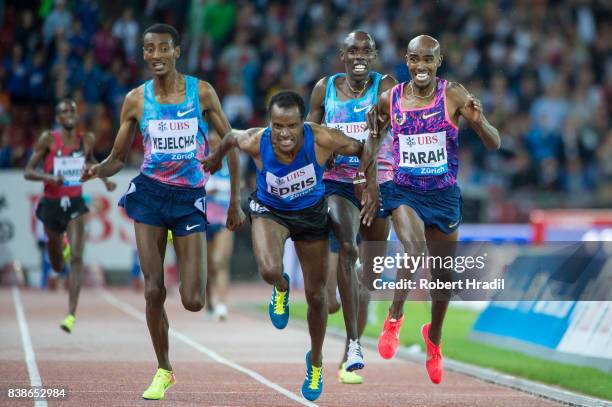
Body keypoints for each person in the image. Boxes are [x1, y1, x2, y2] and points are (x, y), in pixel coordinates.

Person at [80, 24, 245, 400]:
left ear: (176, 52)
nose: (155, 55)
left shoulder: (201, 92)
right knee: (153, 291)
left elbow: (232, 142)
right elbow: (118, 158)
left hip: (188, 197)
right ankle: (164, 369)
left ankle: (179, 241)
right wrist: (97, 170)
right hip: (150, 194)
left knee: (193, 300)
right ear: (143, 54)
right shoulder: (136, 100)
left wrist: (235, 200)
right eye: (148, 49)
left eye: (162, 49)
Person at [202, 90, 378, 401]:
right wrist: (215, 159)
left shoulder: (322, 137)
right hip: (271, 212)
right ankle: (280, 287)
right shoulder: (258, 140)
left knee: (318, 298)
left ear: (303, 124)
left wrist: (367, 183)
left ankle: (316, 361)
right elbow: (229, 137)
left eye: (292, 126)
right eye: (278, 126)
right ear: (270, 124)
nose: (284, 134)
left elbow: (364, 148)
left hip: (311, 217)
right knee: (270, 270)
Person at [367, 35, 500, 384]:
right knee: (412, 248)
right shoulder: (389, 99)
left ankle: (434, 340)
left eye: (428, 59)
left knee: (443, 280)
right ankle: (394, 318)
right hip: (404, 190)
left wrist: (479, 121)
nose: (420, 66)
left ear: (438, 61)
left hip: (442, 197)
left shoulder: (453, 94)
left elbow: (494, 142)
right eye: (414, 59)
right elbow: (373, 137)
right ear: (406, 61)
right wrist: (366, 181)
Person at [306, 30, 396, 384]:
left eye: (366, 50)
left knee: (370, 277)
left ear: (373, 55)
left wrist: (371, 180)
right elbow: (309, 130)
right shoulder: (323, 89)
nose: (359, 55)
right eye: (353, 50)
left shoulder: (385, 86)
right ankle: (354, 345)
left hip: (378, 184)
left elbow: (378, 135)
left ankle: (348, 352)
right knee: (345, 252)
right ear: (342, 54)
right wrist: (324, 151)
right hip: (338, 185)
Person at [24, 98, 117, 333]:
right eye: (63, 111)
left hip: (75, 202)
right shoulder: (48, 139)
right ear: (57, 118)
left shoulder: (86, 140)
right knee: (56, 265)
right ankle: (60, 245)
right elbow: (28, 171)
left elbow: (91, 162)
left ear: (77, 116)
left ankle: (71, 314)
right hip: (52, 203)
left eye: (72, 110)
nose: (69, 114)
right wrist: (49, 178)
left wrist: (105, 180)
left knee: (77, 258)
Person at [204, 131, 235, 321]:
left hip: (223, 219)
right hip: (203, 220)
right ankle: (210, 303)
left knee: (219, 262)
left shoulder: (231, 163)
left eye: (218, 143)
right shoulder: (200, 163)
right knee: (207, 267)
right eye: (211, 143)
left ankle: (222, 305)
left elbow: (237, 187)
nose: (214, 146)